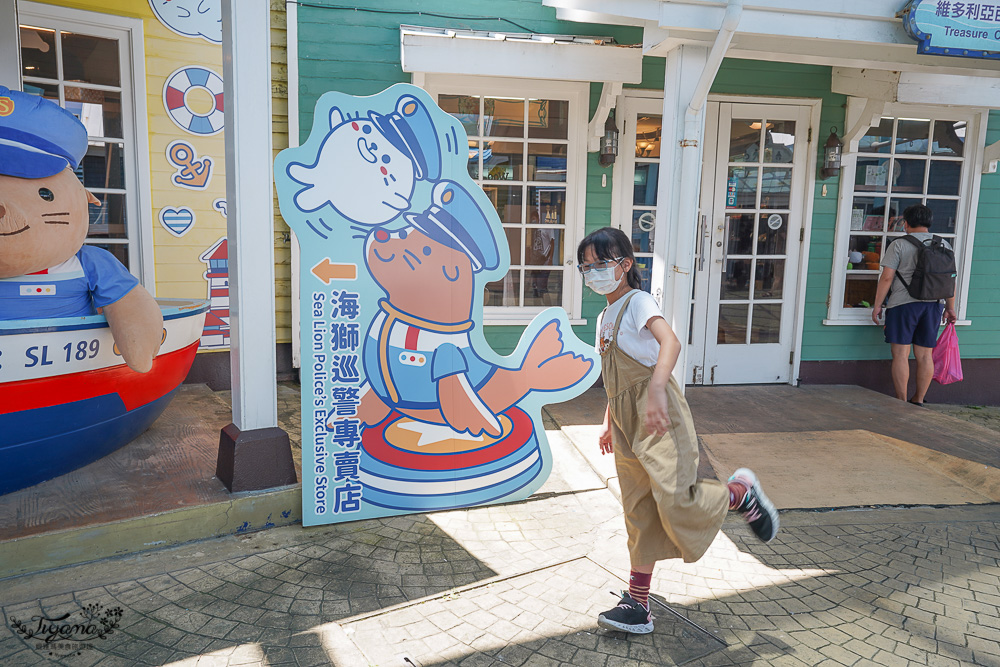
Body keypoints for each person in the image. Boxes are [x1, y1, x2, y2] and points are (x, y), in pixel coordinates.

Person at [577, 227, 779, 635]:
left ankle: (739, 494)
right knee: (638, 509)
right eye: (586, 267)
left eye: (601, 263)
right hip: (626, 419)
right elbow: (615, 376)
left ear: (625, 264)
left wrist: (655, 390)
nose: (593, 272)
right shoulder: (603, 315)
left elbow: (670, 343)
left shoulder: (637, 302)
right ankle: (637, 604)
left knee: (675, 499)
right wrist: (608, 419)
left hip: (658, 413)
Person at [872, 204, 957, 406]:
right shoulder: (944, 245)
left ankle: (901, 401)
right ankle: (918, 400)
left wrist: (877, 305)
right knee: (925, 355)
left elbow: (886, 278)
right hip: (933, 306)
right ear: (929, 222)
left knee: (901, 354)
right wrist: (950, 307)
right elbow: (949, 280)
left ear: (906, 223)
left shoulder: (899, 245)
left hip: (903, 305)